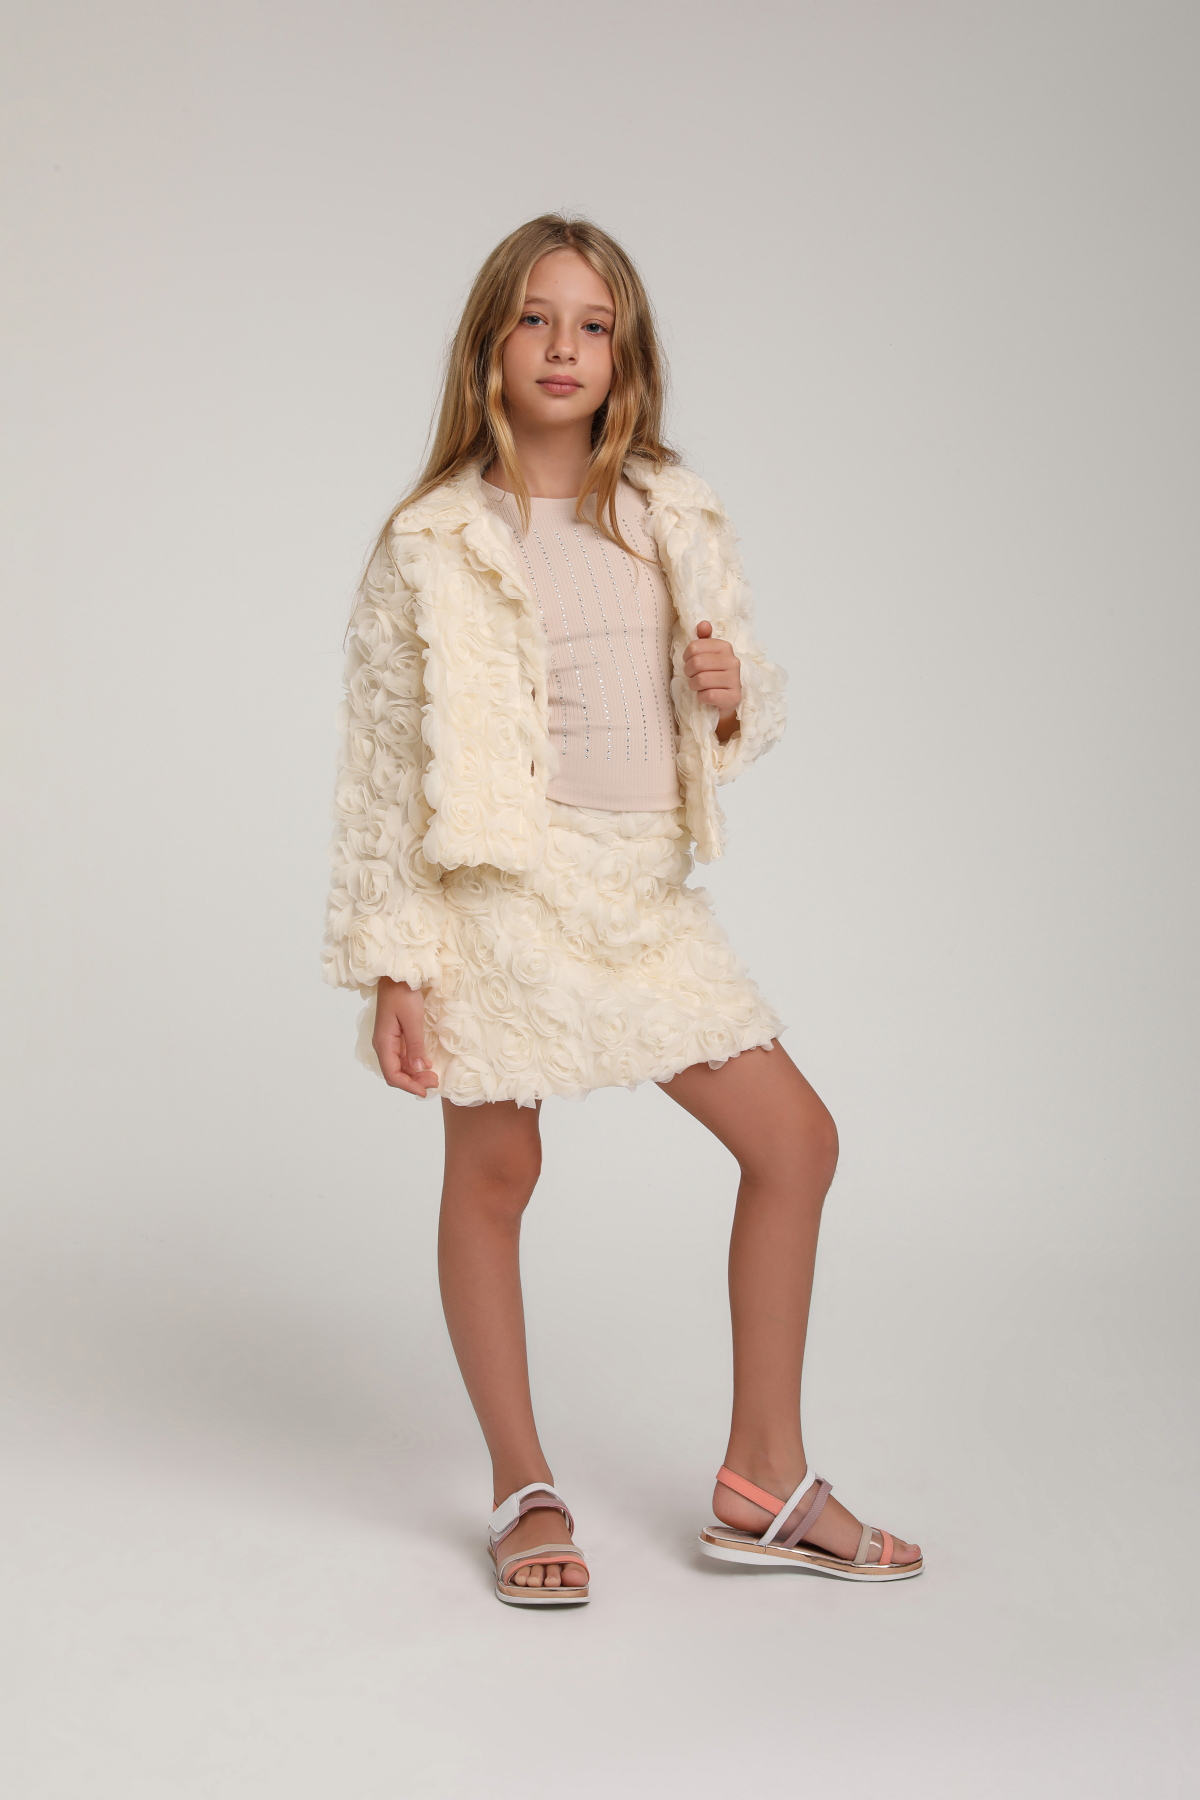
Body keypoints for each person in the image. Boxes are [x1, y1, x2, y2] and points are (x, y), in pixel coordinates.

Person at [324, 214, 922, 1604]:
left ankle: (765, 1476)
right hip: (500, 896)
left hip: (643, 895)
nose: (563, 347)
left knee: (797, 1141)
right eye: (536, 319)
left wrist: (731, 697)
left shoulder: (671, 512)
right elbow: (383, 769)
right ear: (490, 342)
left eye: (592, 326)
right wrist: (396, 964)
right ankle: (522, 1485)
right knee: (497, 1174)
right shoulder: (432, 540)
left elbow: (733, 697)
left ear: (625, 354)